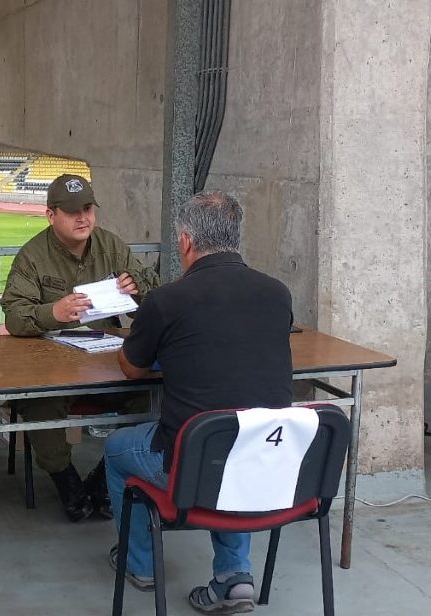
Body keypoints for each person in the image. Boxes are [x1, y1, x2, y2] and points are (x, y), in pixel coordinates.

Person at [104, 191, 293, 614]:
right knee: (240, 434)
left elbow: (132, 368)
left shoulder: (166, 301)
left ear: (186, 241)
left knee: (117, 450)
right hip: (269, 462)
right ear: (236, 237)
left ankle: (140, 564)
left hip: (191, 464)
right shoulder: (278, 294)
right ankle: (234, 575)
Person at [0, 174, 160, 522]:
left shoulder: (112, 246)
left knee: (149, 395)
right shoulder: (33, 256)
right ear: (50, 215)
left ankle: (105, 476)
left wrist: (138, 289)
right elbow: (14, 316)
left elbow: (155, 294)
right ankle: (65, 480)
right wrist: (51, 312)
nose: (82, 218)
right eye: (72, 211)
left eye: (87, 209)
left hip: (107, 361)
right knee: (41, 404)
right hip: (52, 365)